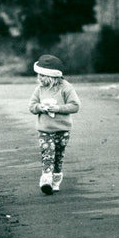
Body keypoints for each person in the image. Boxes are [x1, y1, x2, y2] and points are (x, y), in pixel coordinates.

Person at [28, 54, 80, 195]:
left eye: (42, 75)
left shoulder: (66, 88)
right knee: (47, 154)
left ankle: (56, 180)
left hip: (63, 129)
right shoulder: (39, 89)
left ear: (52, 76)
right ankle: (46, 180)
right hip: (45, 130)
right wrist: (40, 107)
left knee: (58, 155)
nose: (39, 78)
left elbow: (75, 106)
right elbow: (31, 106)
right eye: (38, 75)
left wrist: (58, 109)